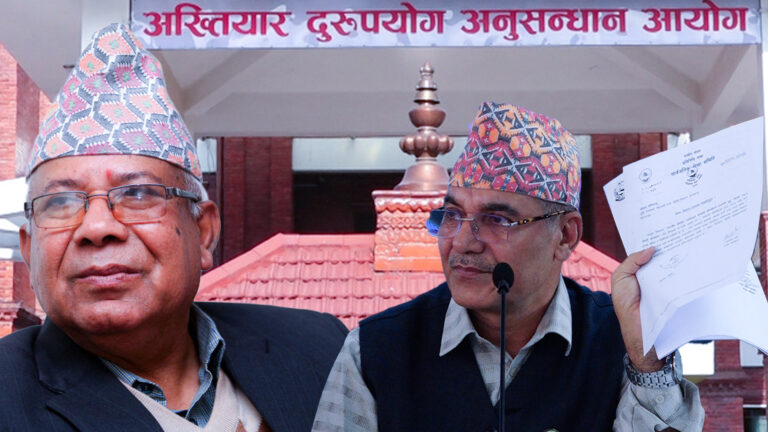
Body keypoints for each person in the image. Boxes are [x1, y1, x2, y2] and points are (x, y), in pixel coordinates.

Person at [0, 23, 347, 432]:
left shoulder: (316, 347)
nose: (96, 227)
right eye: (60, 202)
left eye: (137, 194)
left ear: (204, 232)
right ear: (29, 247)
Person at [312, 102, 705, 431]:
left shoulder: (624, 343)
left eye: (497, 220)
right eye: (452, 216)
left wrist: (647, 365)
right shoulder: (375, 350)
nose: (463, 243)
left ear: (565, 236)